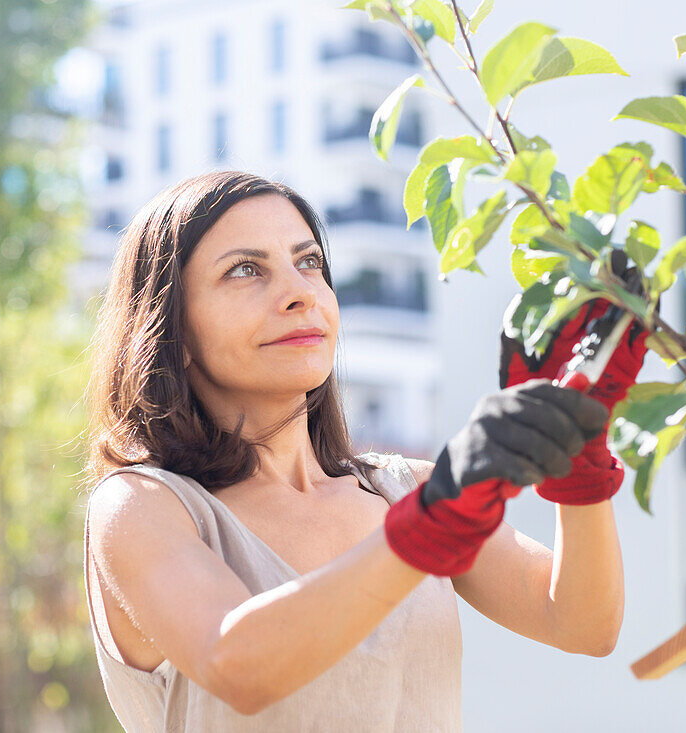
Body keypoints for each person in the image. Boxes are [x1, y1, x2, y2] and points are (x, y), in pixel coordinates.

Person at [80, 171, 647, 731]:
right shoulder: (142, 507)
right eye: (245, 270)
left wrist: (578, 454)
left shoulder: (404, 491)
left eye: (309, 263)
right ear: (168, 332)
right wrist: (429, 529)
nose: (300, 293)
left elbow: (582, 623)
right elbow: (238, 665)